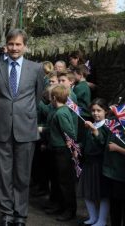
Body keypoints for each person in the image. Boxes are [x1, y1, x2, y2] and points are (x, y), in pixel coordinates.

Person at [0, 29, 44, 226]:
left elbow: (38, 96)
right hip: (0, 128)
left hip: (25, 129)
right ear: (6, 45)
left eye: (18, 44)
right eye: (11, 44)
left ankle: (20, 214)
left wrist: (24, 113)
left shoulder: (36, 69)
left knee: (22, 174)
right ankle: (6, 212)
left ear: (25, 46)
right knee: (3, 174)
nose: (14, 48)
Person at [47, 85, 78, 221]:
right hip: (56, 149)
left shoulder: (61, 113)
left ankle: (69, 210)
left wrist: (70, 141)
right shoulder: (59, 110)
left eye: (51, 97)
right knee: (58, 180)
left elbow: (70, 131)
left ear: (54, 98)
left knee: (65, 182)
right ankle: (60, 206)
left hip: (62, 151)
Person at [80, 98, 110, 226]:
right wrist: (78, 147)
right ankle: (93, 217)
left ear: (106, 112)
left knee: (102, 193)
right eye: (93, 110)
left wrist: (94, 131)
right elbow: (86, 142)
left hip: (100, 164)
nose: (95, 113)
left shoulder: (107, 126)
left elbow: (103, 143)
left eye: (99, 110)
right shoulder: (90, 124)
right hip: (88, 162)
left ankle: (102, 220)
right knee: (87, 191)